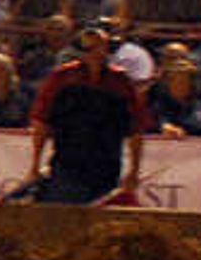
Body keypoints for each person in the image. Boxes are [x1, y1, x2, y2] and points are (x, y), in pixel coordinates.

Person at [21, 21, 147, 205]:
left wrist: (134, 170)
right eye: (91, 48)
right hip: (68, 163)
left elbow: (135, 127)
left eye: (101, 47)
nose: (97, 53)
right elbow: (41, 121)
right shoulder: (62, 78)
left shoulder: (120, 82)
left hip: (108, 165)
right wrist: (35, 164)